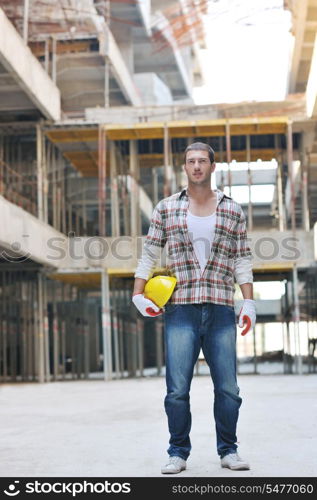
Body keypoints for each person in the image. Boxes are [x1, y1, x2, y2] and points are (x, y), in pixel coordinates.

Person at [132, 142, 256, 473]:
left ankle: (229, 450)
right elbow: (149, 253)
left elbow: (242, 258)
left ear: (213, 167)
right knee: (176, 389)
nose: (197, 166)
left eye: (203, 161)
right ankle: (177, 453)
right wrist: (138, 294)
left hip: (220, 308)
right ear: (184, 167)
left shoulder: (232, 209)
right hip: (181, 309)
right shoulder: (166, 208)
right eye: (191, 161)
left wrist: (249, 302)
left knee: (228, 388)